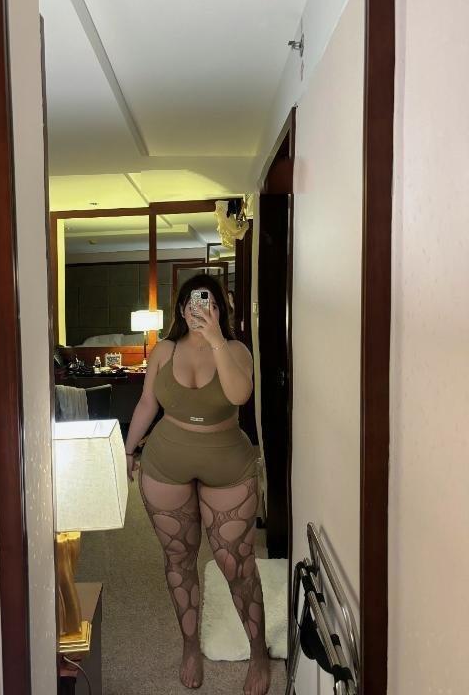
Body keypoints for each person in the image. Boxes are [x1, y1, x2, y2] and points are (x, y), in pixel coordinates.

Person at [124, 274, 270, 695]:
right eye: (191, 302)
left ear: (220, 308)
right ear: (180, 309)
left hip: (227, 463)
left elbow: (240, 395)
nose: (198, 309)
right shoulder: (164, 350)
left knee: (236, 564)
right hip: (166, 460)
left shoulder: (236, 350)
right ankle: (190, 647)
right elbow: (147, 402)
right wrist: (128, 449)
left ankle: (258, 653)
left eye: (207, 302)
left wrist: (216, 339)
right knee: (178, 560)